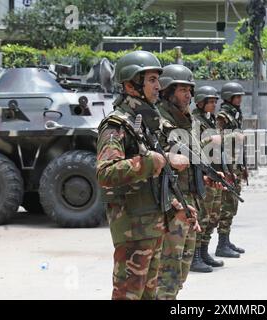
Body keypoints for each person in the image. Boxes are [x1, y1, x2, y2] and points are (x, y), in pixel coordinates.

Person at [96, 51, 191, 300]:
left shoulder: (144, 122)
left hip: (152, 225)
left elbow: (151, 180)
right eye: (151, 80)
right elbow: (105, 172)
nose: (158, 86)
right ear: (130, 84)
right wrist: (152, 161)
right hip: (132, 229)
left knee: (150, 295)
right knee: (129, 294)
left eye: (157, 80)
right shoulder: (117, 125)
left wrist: (173, 205)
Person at [155, 64, 221, 299]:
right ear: (167, 91)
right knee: (166, 275)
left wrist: (205, 175)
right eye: (183, 90)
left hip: (190, 204)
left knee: (180, 273)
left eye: (189, 90)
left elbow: (192, 156)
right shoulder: (157, 120)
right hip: (171, 206)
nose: (188, 95)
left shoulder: (187, 121)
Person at [190, 85, 225, 273]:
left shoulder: (210, 120)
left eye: (214, 102)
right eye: (210, 102)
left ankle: (204, 252)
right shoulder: (195, 121)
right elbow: (192, 147)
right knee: (202, 216)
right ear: (200, 102)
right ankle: (195, 256)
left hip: (214, 171)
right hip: (203, 172)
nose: (213, 105)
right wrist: (210, 141)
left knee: (213, 216)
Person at [215, 82, 247, 258]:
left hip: (236, 165)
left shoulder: (234, 115)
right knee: (227, 205)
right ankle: (221, 244)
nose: (240, 99)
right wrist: (234, 136)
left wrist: (243, 167)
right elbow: (215, 137)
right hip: (227, 165)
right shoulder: (223, 117)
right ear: (229, 97)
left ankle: (226, 240)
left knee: (232, 204)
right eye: (237, 96)